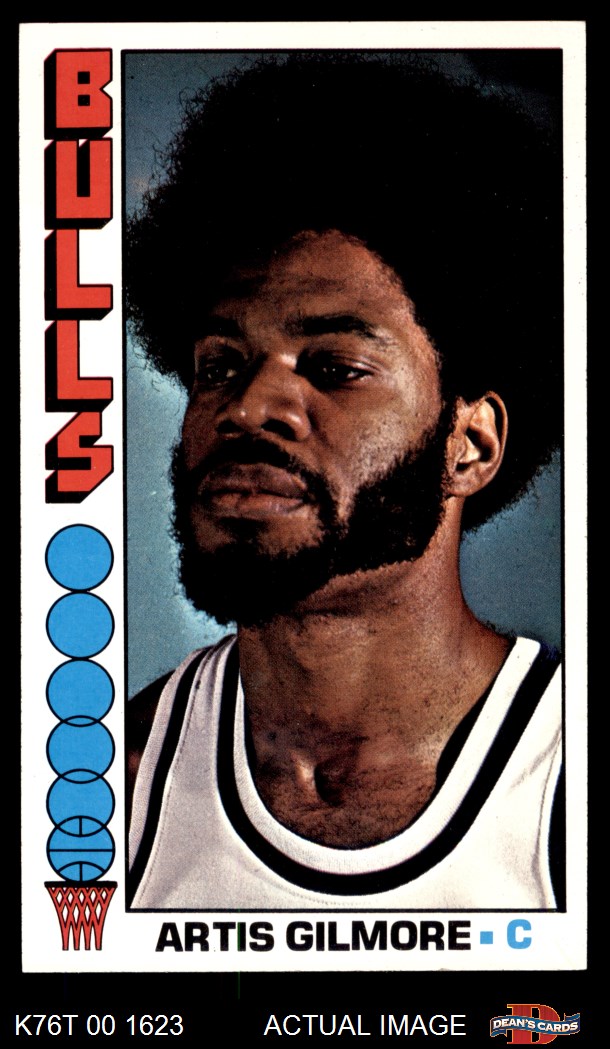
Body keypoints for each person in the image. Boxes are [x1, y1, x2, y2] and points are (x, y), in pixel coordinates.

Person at [125, 54, 563, 909]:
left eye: (334, 367)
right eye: (219, 365)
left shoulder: (560, 781)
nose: (248, 407)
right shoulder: (103, 788)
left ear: (470, 444)